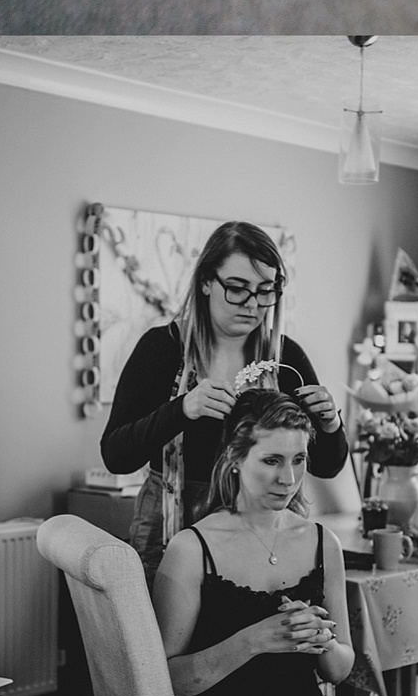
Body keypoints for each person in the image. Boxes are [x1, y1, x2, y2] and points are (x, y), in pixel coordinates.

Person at [152, 388, 393, 696]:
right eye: (272, 460)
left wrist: (323, 641)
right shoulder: (192, 548)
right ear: (235, 459)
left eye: (299, 459)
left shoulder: (322, 542)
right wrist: (255, 639)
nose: (288, 478)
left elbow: (341, 668)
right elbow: (167, 684)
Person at [102, 221, 350, 570]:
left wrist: (330, 423)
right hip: (172, 527)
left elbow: (328, 465)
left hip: (264, 534)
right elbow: (115, 455)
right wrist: (182, 410)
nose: (252, 304)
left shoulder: (284, 357)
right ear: (206, 281)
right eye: (237, 288)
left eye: (265, 290)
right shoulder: (162, 349)